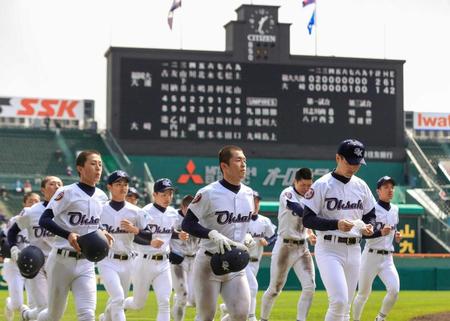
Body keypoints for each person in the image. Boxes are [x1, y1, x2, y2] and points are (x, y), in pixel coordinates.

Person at [302, 139, 377, 321]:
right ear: (338, 158)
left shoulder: (361, 186)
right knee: (339, 301)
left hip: (354, 249)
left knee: (345, 308)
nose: (354, 166)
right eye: (350, 161)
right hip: (329, 248)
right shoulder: (322, 185)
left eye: (357, 163)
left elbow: (371, 214)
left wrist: (369, 226)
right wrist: (336, 224)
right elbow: (307, 219)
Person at [37, 150, 113, 321]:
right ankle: (32, 317)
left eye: (100, 164)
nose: (98, 168)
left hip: (86, 262)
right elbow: (44, 219)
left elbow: (94, 224)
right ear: (80, 168)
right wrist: (68, 234)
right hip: (61, 261)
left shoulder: (101, 196)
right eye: (93, 163)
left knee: (87, 314)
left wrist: (103, 231)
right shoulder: (66, 192)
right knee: (53, 316)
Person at [181, 145, 255, 321]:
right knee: (206, 316)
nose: (243, 164)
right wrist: (211, 233)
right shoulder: (208, 193)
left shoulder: (249, 193)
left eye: (244, 160)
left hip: (236, 263)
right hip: (209, 263)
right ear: (224, 166)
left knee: (241, 315)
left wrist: (247, 235)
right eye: (238, 160)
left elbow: (240, 224)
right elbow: (187, 223)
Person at [260, 168, 317, 321]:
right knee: (274, 289)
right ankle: (263, 319)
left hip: (302, 247)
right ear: (295, 182)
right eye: (303, 185)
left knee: (310, 287)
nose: (306, 188)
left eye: (309, 185)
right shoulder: (288, 193)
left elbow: (306, 220)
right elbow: (298, 210)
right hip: (285, 247)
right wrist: (317, 216)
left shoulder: (310, 196)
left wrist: (310, 233)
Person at [124, 178, 181, 321]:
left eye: (170, 194)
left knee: (164, 302)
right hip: (144, 262)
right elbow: (134, 236)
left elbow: (168, 231)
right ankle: (116, 307)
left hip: (163, 263)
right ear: (154, 195)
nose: (167, 197)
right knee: (138, 304)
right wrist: (150, 241)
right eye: (163, 194)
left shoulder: (173, 213)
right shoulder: (144, 212)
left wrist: (178, 235)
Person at [7, 176, 63, 321]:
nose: (57, 186)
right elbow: (12, 231)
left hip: (59, 262)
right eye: (52, 184)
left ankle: (27, 315)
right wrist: (13, 248)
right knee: (45, 308)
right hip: (36, 262)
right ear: (43, 190)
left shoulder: (68, 212)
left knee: (54, 310)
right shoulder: (32, 211)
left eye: (59, 184)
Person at [97, 170, 149, 321]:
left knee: (118, 300)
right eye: (118, 184)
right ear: (109, 187)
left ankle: (104, 318)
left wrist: (136, 230)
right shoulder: (100, 209)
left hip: (128, 261)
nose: (123, 187)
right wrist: (101, 230)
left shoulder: (136, 211)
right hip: (107, 260)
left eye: (125, 184)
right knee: (119, 298)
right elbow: (89, 228)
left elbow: (150, 236)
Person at [220, 190, 276, 321]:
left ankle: (227, 311)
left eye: (258, 202)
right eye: (253, 201)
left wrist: (267, 241)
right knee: (253, 287)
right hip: (240, 260)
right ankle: (251, 317)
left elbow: (274, 236)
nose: (256, 204)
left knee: (244, 294)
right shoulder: (240, 219)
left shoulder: (265, 221)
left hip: (256, 261)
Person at [352, 176, 402, 321]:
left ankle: (380, 318)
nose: (390, 190)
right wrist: (380, 232)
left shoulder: (395, 209)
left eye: (391, 187)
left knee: (394, 290)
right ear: (378, 191)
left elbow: (393, 227)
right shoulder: (371, 209)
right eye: (386, 187)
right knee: (363, 294)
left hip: (387, 258)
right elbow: (363, 235)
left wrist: (396, 235)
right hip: (370, 257)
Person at [3, 192, 40, 321]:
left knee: (35, 303)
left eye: (37, 201)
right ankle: (10, 304)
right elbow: (6, 239)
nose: (34, 203)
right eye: (31, 201)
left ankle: (28, 317)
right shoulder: (15, 220)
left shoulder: (41, 221)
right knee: (17, 304)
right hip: (14, 265)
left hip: (34, 265)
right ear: (24, 204)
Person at [170, 194, 199, 321]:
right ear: (182, 207)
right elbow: (164, 234)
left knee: (195, 300)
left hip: (194, 259)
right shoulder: (173, 217)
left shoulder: (200, 218)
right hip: (178, 258)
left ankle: (178, 299)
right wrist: (170, 252)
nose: (192, 211)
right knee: (183, 296)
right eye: (189, 208)